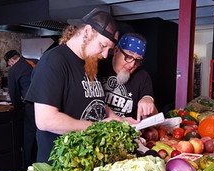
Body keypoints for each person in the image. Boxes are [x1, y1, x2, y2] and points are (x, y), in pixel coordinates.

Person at [24, 8, 133, 163]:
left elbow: (93, 100)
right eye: (103, 45)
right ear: (87, 32)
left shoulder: (89, 61)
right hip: (61, 164)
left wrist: (117, 119)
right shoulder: (53, 61)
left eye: (108, 50)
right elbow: (45, 120)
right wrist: (97, 127)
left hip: (86, 160)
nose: (104, 55)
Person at [98, 33, 158, 121]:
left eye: (138, 60)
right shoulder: (98, 66)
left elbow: (149, 101)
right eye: (129, 57)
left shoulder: (142, 76)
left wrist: (148, 99)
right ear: (116, 51)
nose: (132, 65)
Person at [4, 50, 37, 168]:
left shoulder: (14, 70)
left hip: (31, 106)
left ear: (11, 60)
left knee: (29, 136)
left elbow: (14, 94)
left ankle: (28, 164)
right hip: (48, 103)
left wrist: (18, 106)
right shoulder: (35, 61)